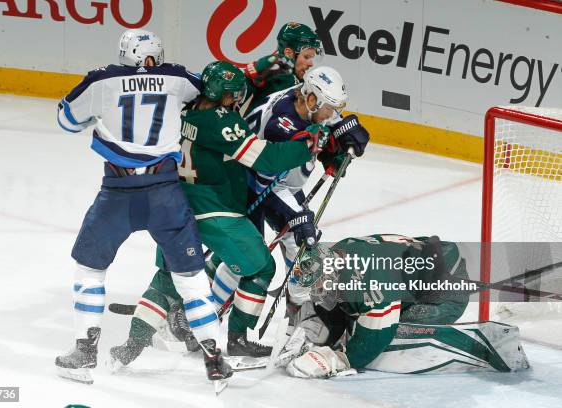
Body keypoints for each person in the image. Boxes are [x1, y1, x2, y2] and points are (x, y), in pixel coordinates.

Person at [108, 60, 331, 366]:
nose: (236, 98)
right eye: (232, 93)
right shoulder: (220, 119)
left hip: (172, 205)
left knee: (170, 276)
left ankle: (132, 343)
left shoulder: (184, 111)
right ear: (224, 94)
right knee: (260, 267)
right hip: (214, 210)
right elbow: (264, 159)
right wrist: (308, 145)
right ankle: (237, 339)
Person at [54, 29, 226, 385]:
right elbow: (210, 88)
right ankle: (214, 358)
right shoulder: (178, 77)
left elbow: (66, 120)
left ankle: (85, 352)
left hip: (118, 194)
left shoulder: (102, 80)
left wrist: (94, 118)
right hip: (166, 194)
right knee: (191, 278)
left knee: (90, 268)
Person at [207, 66, 369, 328]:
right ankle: (206, 315)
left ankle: (300, 312)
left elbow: (324, 128)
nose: (333, 115)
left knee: (297, 242)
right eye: (331, 108)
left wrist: (341, 142)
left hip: (275, 182)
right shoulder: (281, 122)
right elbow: (278, 163)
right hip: (252, 184)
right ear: (312, 99)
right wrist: (329, 145)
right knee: (261, 252)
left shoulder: (305, 102)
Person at [278, 235, 529, 377]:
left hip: (443, 294)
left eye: (319, 286)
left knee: (392, 337)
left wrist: (340, 359)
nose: (318, 292)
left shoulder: (370, 286)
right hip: (424, 269)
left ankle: (480, 346)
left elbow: (372, 342)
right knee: (347, 314)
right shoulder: (338, 254)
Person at [241, 22, 322, 115]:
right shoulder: (273, 70)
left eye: (311, 58)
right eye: (306, 57)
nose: (311, 64)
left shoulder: (299, 80)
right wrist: (259, 69)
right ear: (288, 53)